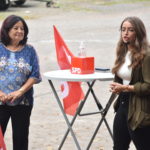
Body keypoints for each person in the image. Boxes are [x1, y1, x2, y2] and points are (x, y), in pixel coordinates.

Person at [0, 15, 41, 150]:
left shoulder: (29, 50)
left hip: (23, 101)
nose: (20, 31)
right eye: (15, 28)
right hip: (0, 101)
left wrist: (20, 91)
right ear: (6, 30)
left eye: (22, 28)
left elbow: (35, 75)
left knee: (21, 139)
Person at [110, 16, 150, 150]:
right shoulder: (123, 52)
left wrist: (125, 87)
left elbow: (148, 86)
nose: (125, 33)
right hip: (123, 103)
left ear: (138, 32)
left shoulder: (146, 55)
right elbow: (123, 76)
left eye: (130, 30)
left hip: (140, 107)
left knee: (143, 146)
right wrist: (118, 87)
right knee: (119, 146)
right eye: (123, 29)